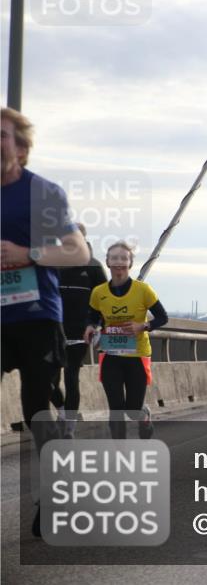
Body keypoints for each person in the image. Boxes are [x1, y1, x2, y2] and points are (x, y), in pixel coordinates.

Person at [1, 107, 90, 536]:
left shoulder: (42, 193)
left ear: (20, 147)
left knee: (36, 406)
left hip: (37, 317)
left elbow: (78, 253)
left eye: (2, 135)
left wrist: (28, 254)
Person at [85, 241, 169, 439]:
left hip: (137, 355)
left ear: (130, 263)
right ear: (107, 262)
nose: (119, 262)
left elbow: (163, 317)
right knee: (115, 409)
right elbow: (93, 316)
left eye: (124, 258)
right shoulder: (99, 292)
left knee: (132, 410)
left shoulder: (143, 290)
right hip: (110, 354)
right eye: (114, 258)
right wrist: (90, 327)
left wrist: (143, 326)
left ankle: (143, 415)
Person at [53, 221, 108, 436]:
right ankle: (62, 410)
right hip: (53, 332)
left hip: (80, 333)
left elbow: (104, 298)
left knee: (71, 376)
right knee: (49, 380)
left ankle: (70, 425)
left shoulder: (93, 266)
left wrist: (97, 325)